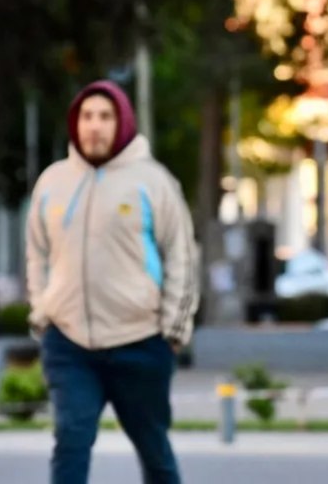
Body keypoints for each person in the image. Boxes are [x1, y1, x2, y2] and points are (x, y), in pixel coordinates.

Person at [26, 80, 199, 484]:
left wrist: (173, 330)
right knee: (70, 440)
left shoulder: (153, 181)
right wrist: (42, 310)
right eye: (87, 116)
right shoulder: (52, 182)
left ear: (122, 123)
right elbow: (36, 253)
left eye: (105, 116)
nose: (94, 126)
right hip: (69, 342)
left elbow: (182, 256)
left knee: (154, 450)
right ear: (75, 123)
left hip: (140, 340)